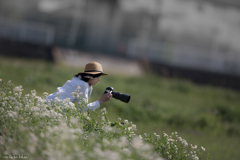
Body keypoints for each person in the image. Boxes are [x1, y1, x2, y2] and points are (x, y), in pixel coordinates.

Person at [45, 61, 112, 112]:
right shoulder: (83, 85)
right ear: (92, 76)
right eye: (98, 76)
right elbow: (84, 109)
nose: (99, 79)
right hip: (53, 108)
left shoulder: (78, 80)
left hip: (47, 103)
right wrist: (101, 101)